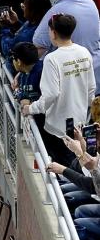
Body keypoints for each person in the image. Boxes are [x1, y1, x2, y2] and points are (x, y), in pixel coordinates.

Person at [22, 13, 95, 165]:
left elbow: (51, 94)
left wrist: (31, 108)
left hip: (57, 127)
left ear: (53, 33)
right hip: (79, 123)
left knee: (63, 166)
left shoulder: (52, 59)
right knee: (79, 163)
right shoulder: (84, 52)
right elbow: (91, 89)